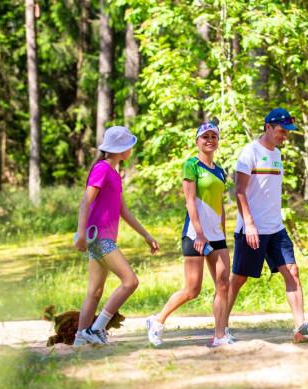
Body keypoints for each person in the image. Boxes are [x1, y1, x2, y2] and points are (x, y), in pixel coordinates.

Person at [226, 108, 308, 343]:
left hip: (276, 228)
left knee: (292, 272)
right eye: (281, 131)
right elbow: (240, 191)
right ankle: (220, 328)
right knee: (239, 278)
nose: (285, 136)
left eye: (287, 132)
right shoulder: (249, 152)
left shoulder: (277, 155)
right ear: (268, 127)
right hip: (252, 229)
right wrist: (250, 224)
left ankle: (300, 328)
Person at [146, 122, 232, 347]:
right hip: (195, 234)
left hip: (217, 235)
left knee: (223, 283)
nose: (210, 140)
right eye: (205, 136)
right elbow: (190, 201)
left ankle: (220, 335)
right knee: (193, 289)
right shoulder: (191, 165)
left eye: (213, 136)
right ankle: (157, 320)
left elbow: (219, 202)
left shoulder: (220, 170)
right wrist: (201, 234)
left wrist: (222, 228)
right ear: (197, 141)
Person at [73, 126, 160, 346]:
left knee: (95, 291)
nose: (131, 149)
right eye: (129, 145)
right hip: (99, 237)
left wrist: (146, 235)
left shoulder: (114, 173)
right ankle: (96, 328)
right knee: (130, 281)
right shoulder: (102, 169)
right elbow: (85, 202)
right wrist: (80, 233)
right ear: (122, 149)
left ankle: (80, 339)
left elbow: (124, 211)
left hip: (103, 238)